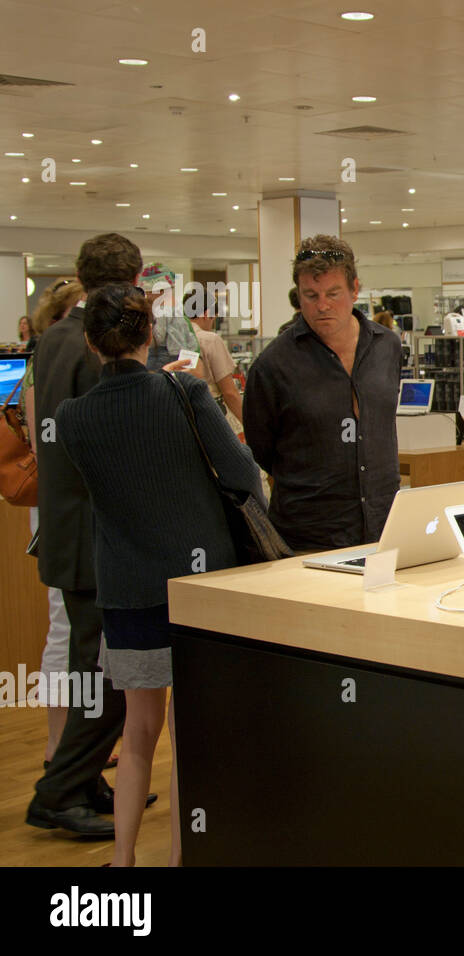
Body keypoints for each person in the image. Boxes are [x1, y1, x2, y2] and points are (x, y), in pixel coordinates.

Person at [57, 282, 262, 866]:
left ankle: (123, 863)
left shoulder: (73, 418)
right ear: (149, 333)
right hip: (198, 590)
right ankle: (179, 858)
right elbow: (241, 471)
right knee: (188, 737)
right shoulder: (185, 392)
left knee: (139, 735)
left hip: (125, 592)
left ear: (93, 345)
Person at [27, 233, 196, 837]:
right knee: (109, 676)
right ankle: (60, 790)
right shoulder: (94, 350)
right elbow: (116, 432)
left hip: (66, 526)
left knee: (93, 669)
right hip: (96, 532)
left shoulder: (52, 339)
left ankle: (81, 781)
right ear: (131, 286)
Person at [243, 235, 402, 552]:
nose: (323, 305)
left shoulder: (387, 346)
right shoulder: (273, 365)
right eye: (310, 295)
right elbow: (263, 449)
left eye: (333, 293)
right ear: (298, 296)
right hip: (308, 536)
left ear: (355, 289)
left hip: (385, 528)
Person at [22, 278, 83, 766]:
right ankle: (58, 746)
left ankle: (73, 746)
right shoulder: (45, 368)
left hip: (65, 510)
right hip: (62, 513)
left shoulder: (48, 365)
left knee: (73, 630)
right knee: (64, 628)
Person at [192, 310, 244, 428]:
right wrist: (250, 425)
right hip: (211, 413)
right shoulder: (210, 340)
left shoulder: (175, 338)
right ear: (206, 314)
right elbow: (229, 392)